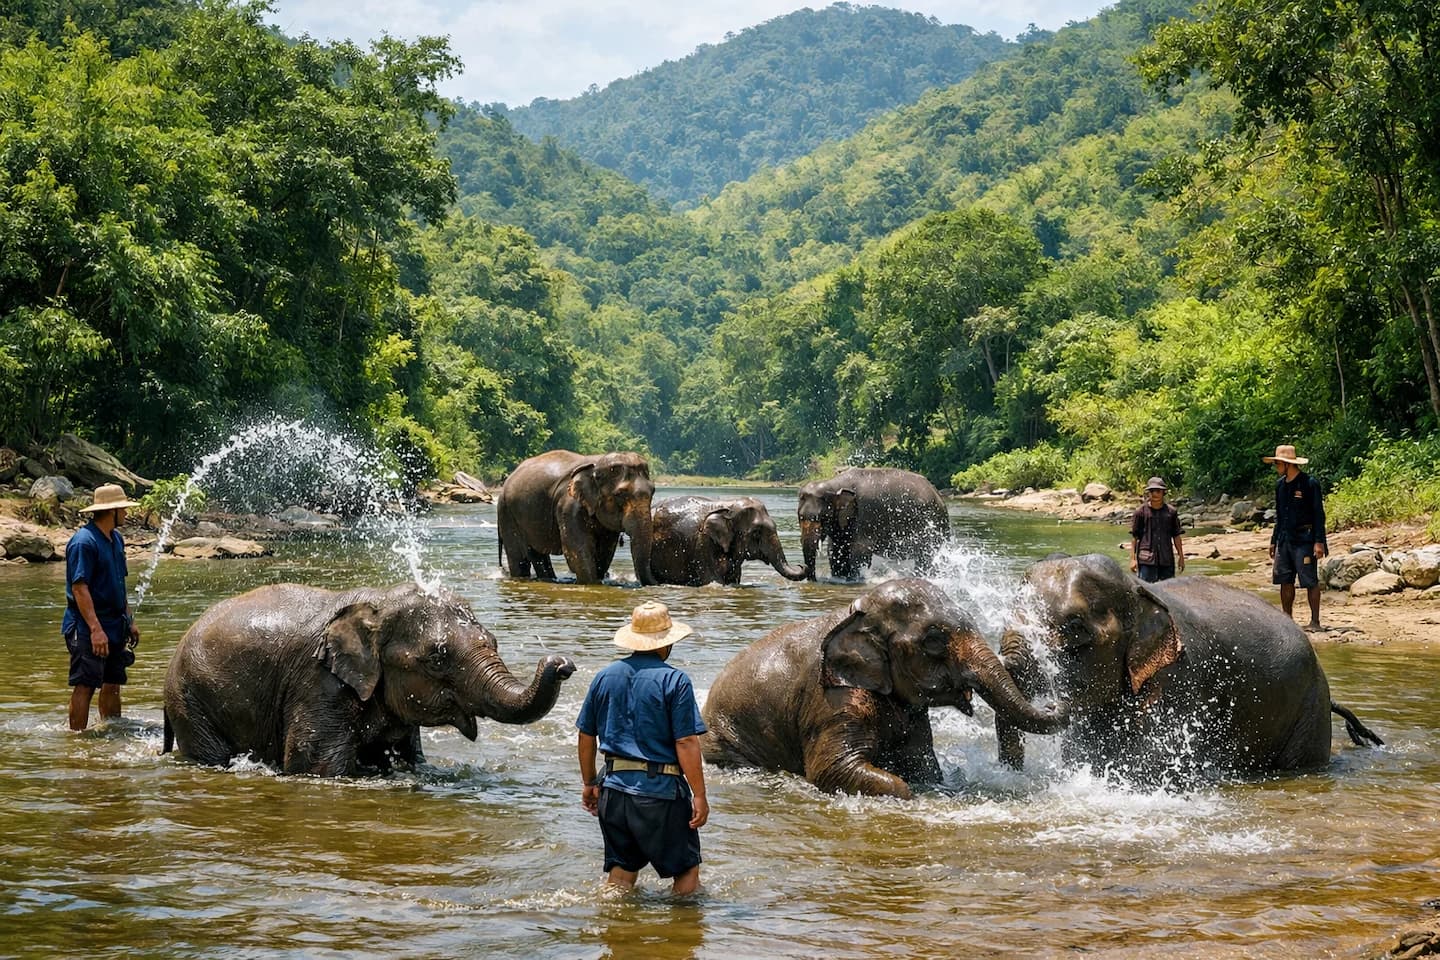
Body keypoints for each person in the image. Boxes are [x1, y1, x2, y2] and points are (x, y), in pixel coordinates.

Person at [576, 601, 709, 894]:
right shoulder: (675, 680)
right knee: (686, 872)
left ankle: (614, 922)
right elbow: (686, 741)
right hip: (660, 793)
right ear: (667, 643)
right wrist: (699, 795)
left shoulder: (604, 676)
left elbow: (586, 735)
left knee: (621, 875)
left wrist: (589, 783)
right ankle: (682, 923)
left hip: (614, 792)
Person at [63, 483, 143, 731]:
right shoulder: (83, 542)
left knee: (112, 682)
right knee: (86, 684)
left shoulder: (116, 539)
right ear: (111, 511)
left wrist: (129, 620)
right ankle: (77, 741)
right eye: (123, 509)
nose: (126, 513)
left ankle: (111, 733)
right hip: (87, 626)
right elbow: (80, 588)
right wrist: (95, 629)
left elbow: (119, 583)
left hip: (115, 623)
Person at [1265, 443, 1328, 631]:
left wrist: (1319, 542)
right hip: (1285, 539)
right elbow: (1279, 515)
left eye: (1278, 463)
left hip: (1305, 539)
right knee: (1284, 580)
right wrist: (1274, 540)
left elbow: (1318, 514)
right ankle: (1288, 620)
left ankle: (1315, 621)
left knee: (1309, 581)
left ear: (1288, 464)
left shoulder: (1309, 483)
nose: (1276, 466)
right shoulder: (1280, 486)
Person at [1129, 476, 1185, 582]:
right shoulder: (1140, 512)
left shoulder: (1171, 512)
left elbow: (1176, 536)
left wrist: (1181, 557)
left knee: (1169, 589)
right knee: (1145, 589)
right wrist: (1133, 559)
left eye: (1158, 491)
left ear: (1163, 493)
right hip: (1146, 560)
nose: (1155, 494)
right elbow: (1135, 537)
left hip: (1166, 559)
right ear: (1148, 493)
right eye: (1152, 491)